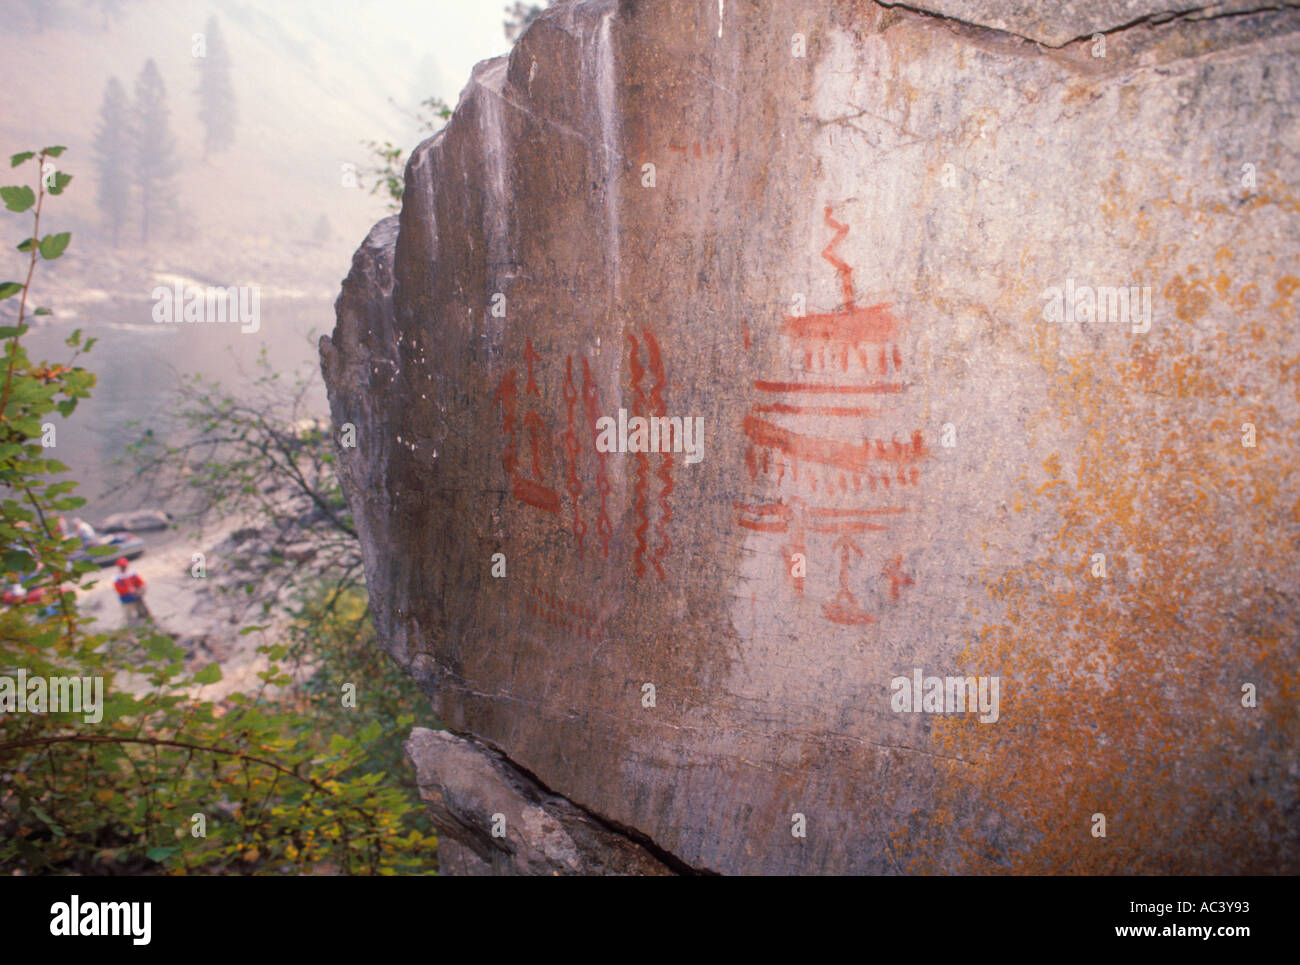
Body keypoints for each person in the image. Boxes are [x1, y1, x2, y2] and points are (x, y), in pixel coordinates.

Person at [112, 557, 150, 623]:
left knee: (143, 611)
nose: (124, 567)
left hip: (136, 596)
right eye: (122, 566)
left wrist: (141, 587)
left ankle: (147, 620)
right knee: (129, 616)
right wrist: (128, 590)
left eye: (124, 566)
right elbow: (119, 590)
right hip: (126, 599)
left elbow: (140, 582)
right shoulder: (117, 578)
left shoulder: (132, 573)